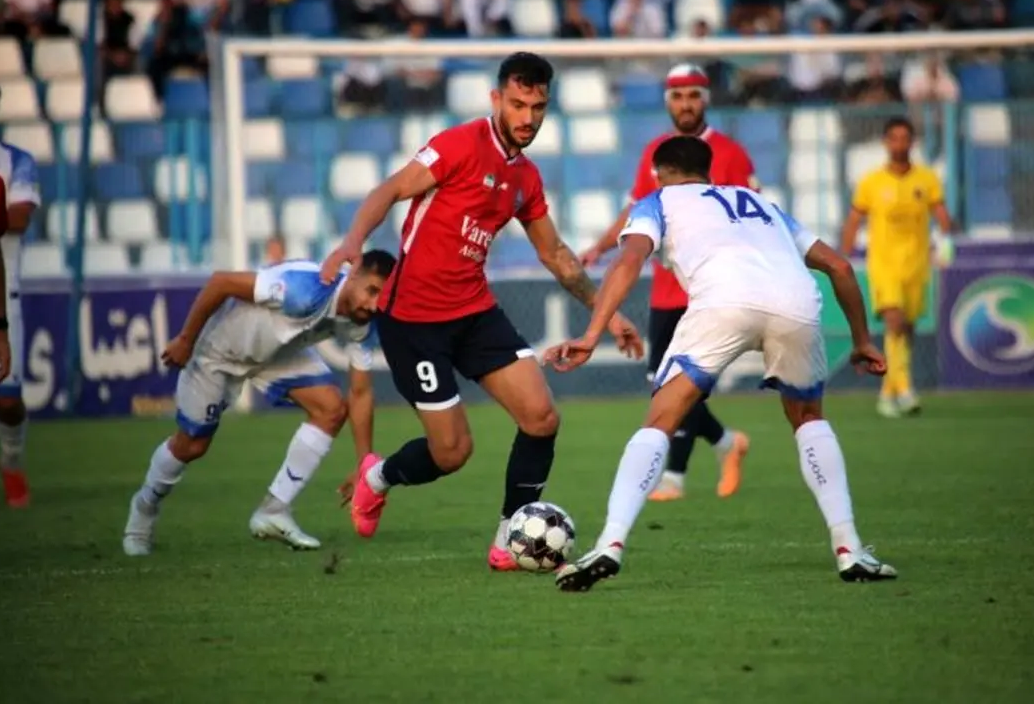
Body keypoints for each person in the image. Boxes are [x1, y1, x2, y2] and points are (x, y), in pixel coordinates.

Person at [322, 52, 644, 571]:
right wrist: (353, 242)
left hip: (473, 311)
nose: (528, 117)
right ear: (497, 99)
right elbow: (390, 189)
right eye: (518, 104)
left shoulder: (526, 178)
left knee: (541, 418)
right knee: (452, 453)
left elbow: (556, 254)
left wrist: (606, 312)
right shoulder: (457, 146)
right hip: (414, 321)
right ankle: (376, 478)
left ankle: (507, 541)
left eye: (538, 107)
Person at [545, 136, 897, 592]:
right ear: (710, 171)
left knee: (660, 420)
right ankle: (850, 549)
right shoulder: (758, 202)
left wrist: (593, 333)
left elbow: (628, 260)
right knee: (809, 419)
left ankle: (610, 544)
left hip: (723, 303)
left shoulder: (659, 200)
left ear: (658, 172)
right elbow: (840, 268)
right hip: (795, 304)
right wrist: (862, 340)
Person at [121, 251, 395, 556]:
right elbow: (221, 282)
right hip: (219, 352)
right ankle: (144, 508)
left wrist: (364, 466)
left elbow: (360, 393)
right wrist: (186, 339)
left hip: (274, 355)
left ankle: (274, 510)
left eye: (381, 298)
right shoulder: (303, 289)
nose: (373, 305)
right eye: (371, 291)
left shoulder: (363, 323)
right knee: (192, 445)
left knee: (331, 409)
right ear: (354, 273)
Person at [580, 64, 754, 503]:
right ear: (668, 102)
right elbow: (638, 210)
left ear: (705, 99)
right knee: (664, 382)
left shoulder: (732, 155)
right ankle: (725, 443)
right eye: (678, 97)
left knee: (680, 383)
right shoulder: (655, 154)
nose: (686, 104)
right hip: (665, 290)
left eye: (693, 95)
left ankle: (674, 476)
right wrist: (601, 247)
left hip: (711, 290)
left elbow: (750, 219)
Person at [840, 117, 954, 418]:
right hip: (884, 264)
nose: (899, 144)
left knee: (908, 328)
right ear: (886, 142)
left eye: (905, 138)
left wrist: (946, 238)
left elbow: (942, 216)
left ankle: (887, 393)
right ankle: (904, 388)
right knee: (894, 321)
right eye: (894, 138)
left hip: (916, 264)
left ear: (912, 142)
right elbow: (854, 220)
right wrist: (844, 259)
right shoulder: (872, 182)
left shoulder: (927, 179)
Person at [0, 80, 39, 508]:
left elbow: (19, 217)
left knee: (7, 401)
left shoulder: (14, 161)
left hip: (3, 299)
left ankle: (12, 463)